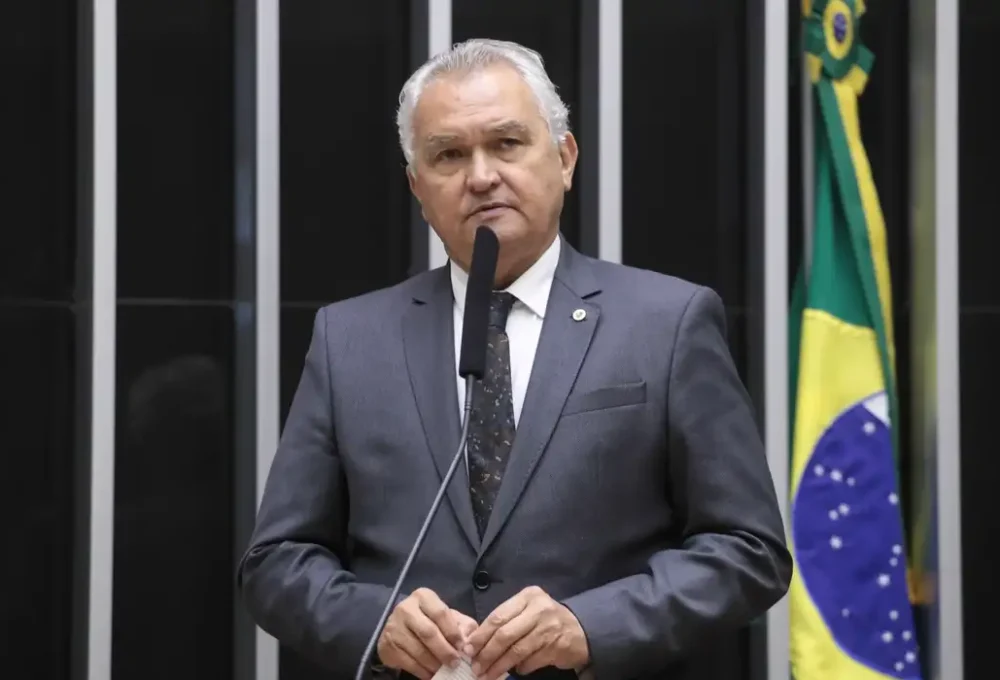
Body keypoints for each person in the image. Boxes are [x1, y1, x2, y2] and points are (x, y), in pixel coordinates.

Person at [238, 38, 792, 680]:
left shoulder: (668, 322)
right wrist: (375, 623)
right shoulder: (349, 338)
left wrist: (590, 626)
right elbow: (276, 562)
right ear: (418, 188)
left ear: (564, 158)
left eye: (506, 143)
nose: (480, 176)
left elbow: (748, 550)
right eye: (449, 155)